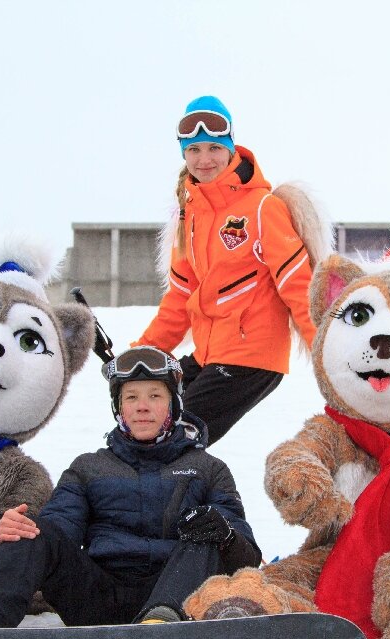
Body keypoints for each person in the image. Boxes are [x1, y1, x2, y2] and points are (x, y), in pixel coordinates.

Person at [0, 345, 261, 628]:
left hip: (177, 598)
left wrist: (225, 533)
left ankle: (159, 624)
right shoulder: (89, 468)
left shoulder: (208, 469)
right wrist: (14, 528)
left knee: (208, 534)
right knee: (31, 533)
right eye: (131, 397)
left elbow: (247, 557)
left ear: (174, 405)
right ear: (119, 408)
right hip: (97, 596)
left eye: (155, 395)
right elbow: (57, 531)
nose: (142, 407)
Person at [132, 95, 318, 446]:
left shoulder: (263, 208)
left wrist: (327, 356)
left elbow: (298, 285)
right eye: (194, 150)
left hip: (252, 356)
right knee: (146, 417)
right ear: (184, 155)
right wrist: (143, 352)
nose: (204, 159)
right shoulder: (190, 216)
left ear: (231, 149)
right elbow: (181, 297)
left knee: (175, 436)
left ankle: (205, 499)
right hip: (209, 356)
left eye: (214, 148)